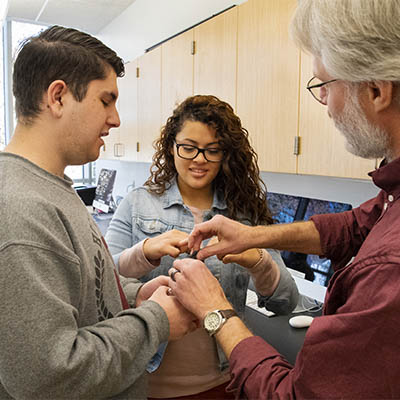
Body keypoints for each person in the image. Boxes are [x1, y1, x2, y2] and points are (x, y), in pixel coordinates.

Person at [167, 0, 400, 398]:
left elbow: (292, 391)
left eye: (324, 84)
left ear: (377, 90)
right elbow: (358, 224)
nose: (324, 102)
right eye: (188, 147)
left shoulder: (388, 268)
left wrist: (214, 310)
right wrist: (253, 237)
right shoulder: (390, 201)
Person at [0, 25, 197, 400]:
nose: (116, 119)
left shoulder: (53, 187)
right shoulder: (21, 210)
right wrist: (155, 320)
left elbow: (79, 292)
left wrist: (134, 296)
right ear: (58, 97)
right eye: (106, 100)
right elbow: (50, 376)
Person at [105, 95, 299, 399]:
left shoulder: (243, 214)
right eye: (189, 147)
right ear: (172, 147)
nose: (199, 159)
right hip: (145, 383)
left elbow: (285, 302)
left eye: (212, 150)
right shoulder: (137, 203)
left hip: (222, 382)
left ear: (226, 155)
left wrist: (258, 260)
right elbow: (103, 284)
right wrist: (143, 252)